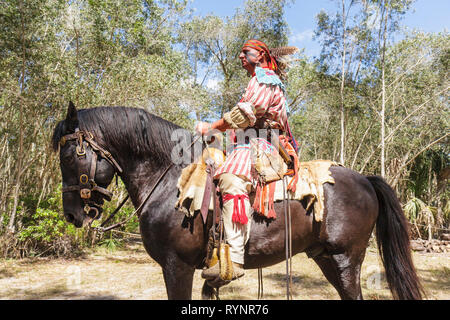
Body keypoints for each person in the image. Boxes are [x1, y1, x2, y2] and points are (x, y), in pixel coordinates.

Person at [195, 39, 297, 281]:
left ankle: (235, 260)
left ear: (260, 54)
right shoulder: (258, 79)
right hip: (247, 142)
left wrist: (210, 127)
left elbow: (244, 114)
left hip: (260, 145)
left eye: (245, 52)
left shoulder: (264, 78)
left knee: (231, 178)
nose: (241, 56)